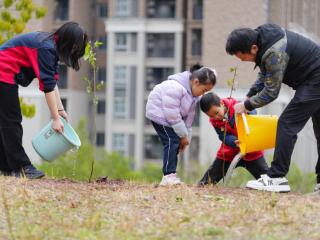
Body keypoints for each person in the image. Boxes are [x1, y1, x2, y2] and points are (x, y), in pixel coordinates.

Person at [226, 23, 320, 192]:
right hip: (313, 78)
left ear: (253, 48)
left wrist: (246, 105)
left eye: (243, 57)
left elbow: (271, 92)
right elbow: (265, 72)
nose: (243, 61)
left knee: (286, 124)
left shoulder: (274, 52)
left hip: (315, 79)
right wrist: (250, 94)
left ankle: (276, 178)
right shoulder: (263, 38)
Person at [0, 22, 88, 179]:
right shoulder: (46, 48)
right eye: (75, 46)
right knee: (11, 121)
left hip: (6, 74)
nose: (75, 50)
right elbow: (47, 87)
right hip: (3, 71)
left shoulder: (50, 46)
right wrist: (55, 118)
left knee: (6, 122)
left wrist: (60, 111)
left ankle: (6, 167)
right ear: (67, 40)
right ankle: (22, 167)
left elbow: (52, 82)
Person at [146, 64, 216, 186]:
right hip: (159, 113)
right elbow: (172, 114)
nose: (203, 94)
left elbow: (189, 117)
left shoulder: (194, 96)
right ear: (196, 82)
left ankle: (169, 176)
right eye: (204, 90)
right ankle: (168, 176)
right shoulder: (176, 88)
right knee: (171, 140)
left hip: (171, 118)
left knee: (174, 143)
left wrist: (185, 138)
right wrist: (182, 136)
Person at [198, 92, 268, 185]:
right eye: (211, 116)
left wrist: (249, 112)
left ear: (221, 103)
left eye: (216, 113)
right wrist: (232, 141)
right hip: (229, 152)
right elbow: (222, 135)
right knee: (207, 182)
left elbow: (253, 112)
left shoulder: (237, 106)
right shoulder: (214, 120)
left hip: (251, 151)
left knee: (268, 180)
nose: (216, 117)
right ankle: (202, 187)